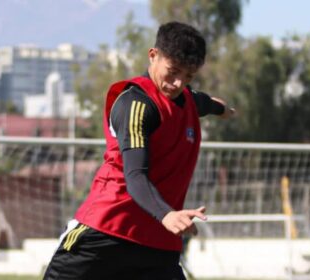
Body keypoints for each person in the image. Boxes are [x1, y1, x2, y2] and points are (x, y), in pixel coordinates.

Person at [43, 21, 235, 280]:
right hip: (105, 233)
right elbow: (135, 176)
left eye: (188, 76)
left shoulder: (187, 99)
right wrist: (167, 214)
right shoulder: (136, 104)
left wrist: (222, 109)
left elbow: (203, 102)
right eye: (173, 71)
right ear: (153, 55)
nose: (178, 83)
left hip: (157, 244)